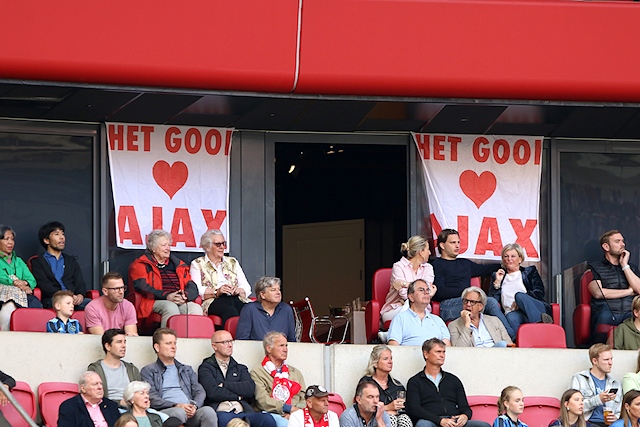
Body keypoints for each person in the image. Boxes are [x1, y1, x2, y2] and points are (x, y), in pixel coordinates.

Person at [430, 229, 515, 340]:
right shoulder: (436, 265)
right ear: (442, 245)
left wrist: (509, 265)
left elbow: (487, 269)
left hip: (469, 302)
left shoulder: (464, 263)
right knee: (490, 302)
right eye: (453, 242)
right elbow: (440, 292)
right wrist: (467, 293)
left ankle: (507, 338)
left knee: (488, 304)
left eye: (458, 242)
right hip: (448, 306)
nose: (457, 246)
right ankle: (512, 337)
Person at [141, 328, 217, 427]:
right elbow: (152, 397)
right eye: (168, 343)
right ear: (157, 347)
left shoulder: (186, 369)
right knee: (179, 412)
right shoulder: (148, 371)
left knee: (208, 411)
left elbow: (199, 391)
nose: (173, 347)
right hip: (166, 412)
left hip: (190, 410)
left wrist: (194, 406)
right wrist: (176, 405)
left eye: (175, 343)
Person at [198, 329, 275, 427]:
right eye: (225, 342)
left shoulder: (240, 368)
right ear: (214, 346)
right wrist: (237, 396)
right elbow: (212, 392)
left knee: (267, 419)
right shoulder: (206, 367)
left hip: (242, 411)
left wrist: (224, 385)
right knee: (226, 421)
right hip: (221, 412)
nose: (230, 345)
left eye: (231, 341)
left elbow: (249, 389)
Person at [405, 338, 489, 427]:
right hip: (431, 421)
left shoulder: (453, 380)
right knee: (423, 425)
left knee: (484, 425)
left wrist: (465, 416)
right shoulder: (415, 382)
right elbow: (415, 409)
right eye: (438, 352)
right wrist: (439, 420)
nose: (442, 355)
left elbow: (465, 407)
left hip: (453, 421)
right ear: (426, 354)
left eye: (443, 352)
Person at [128, 229, 203, 328]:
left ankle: (193, 338)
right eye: (164, 245)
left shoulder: (179, 265)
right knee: (170, 307)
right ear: (153, 248)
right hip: (153, 301)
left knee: (195, 308)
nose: (168, 248)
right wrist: (167, 296)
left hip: (179, 300)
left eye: (169, 245)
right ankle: (166, 337)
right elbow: (142, 287)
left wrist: (185, 296)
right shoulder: (141, 264)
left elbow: (191, 285)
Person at [190, 230, 252, 327]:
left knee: (250, 309)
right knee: (230, 311)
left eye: (223, 243)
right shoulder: (197, 263)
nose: (222, 247)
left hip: (235, 297)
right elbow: (196, 289)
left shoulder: (233, 262)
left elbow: (246, 287)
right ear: (207, 247)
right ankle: (230, 336)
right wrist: (217, 291)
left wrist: (238, 290)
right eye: (218, 244)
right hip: (214, 300)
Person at [588, 230, 640, 343]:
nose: (622, 244)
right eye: (617, 241)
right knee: (603, 317)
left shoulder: (632, 268)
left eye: (622, 241)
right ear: (606, 247)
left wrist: (625, 265)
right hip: (606, 311)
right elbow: (598, 293)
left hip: (630, 312)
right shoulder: (594, 267)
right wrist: (628, 292)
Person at [489, 243, 552, 332]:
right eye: (506, 256)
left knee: (519, 295)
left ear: (520, 259)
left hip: (535, 308)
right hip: (515, 313)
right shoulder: (498, 276)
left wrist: (519, 301)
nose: (509, 259)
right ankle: (521, 340)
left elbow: (539, 292)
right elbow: (493, 302)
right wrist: (497, 282)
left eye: (513, 256)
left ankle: (540, 329)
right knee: (511, 317)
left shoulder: (530, 272)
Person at [250, 331, 306, 427]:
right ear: (269, 348)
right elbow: (263, 401)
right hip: (271, 415)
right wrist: (288, 409)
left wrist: (295, 412)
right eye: (281, 346)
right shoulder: (257, 372)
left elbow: (304, 397)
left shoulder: (295, 372)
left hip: (297, 413)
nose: (285, 349)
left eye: (286, 346)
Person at [30, 221, 89, 310]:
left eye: (62, 234)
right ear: (46, 240)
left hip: (73, 299)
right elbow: (44, 285)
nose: (62, 237)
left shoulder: (70, 261)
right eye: (57, 234)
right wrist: (66, 296)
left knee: (95, 306)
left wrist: (80, 295)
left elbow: (79, 282)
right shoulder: (38, 262)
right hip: (53, 299)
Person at [381, 236, 436, 326]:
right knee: (408, 307)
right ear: (421, 252)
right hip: (395, 310)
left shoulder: (428, 268)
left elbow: (427, 290)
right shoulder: (399, 266)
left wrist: (404, 284)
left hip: (422, 310)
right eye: (428, 250)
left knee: (413, 311)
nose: (430, 253)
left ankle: (392, 333)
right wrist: (424, 292)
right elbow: (404, 294)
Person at [0, 224, 42, 331]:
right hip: (3, 293)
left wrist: (25, 283)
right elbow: (2, 278)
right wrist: (18, 284)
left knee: (35, 303)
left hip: (23, 293)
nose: (10, 242)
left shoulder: (18, 261)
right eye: (6, 239)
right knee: (8, 306)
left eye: (12, 239)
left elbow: (32, 280)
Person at [360, 345, 412, 427]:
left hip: (397, 418)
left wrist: (396, 411)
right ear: (375, 363)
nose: (390, 361)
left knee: (404, 419)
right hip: (372, 420)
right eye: (385, 359)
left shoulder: (397, 385)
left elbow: (406, 408)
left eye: (391, 358)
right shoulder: (366, 383)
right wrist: (387, 408)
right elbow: (362, 407)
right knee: (390, 418)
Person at [570, 343, 622, 427]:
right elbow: (573, 407)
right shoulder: (579, 378)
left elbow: (618, 411)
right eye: (606, 359)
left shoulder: (615, 384)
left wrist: (615, 418)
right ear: (595, 361)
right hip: (586, 423)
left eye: (611, 359)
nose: (610, 363)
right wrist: (598, 399)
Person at [387, 279, 451, 346]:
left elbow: (448, 348)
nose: (426, 292)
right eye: (421, 290)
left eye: (428, 290)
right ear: (411, 297)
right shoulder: (400, 318)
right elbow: (394, 347)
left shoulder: (438, 320)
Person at [88, 329, 141, 406]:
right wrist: (119, 403)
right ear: (108, 346)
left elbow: (140, 393)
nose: (123, 345)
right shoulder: (95, 369)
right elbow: (93, 396)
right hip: (107, 408)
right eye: (119, 342)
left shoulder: (132, 369)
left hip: (132, 409)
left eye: (124, 342)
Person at [235, 277, 295, 342]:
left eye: (279, 289)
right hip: (255, 348)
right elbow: (242, 341)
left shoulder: (286, 309)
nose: (278, 292)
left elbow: (292, 340)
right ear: (262, 294)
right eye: (273, 290)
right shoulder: (249, 309)